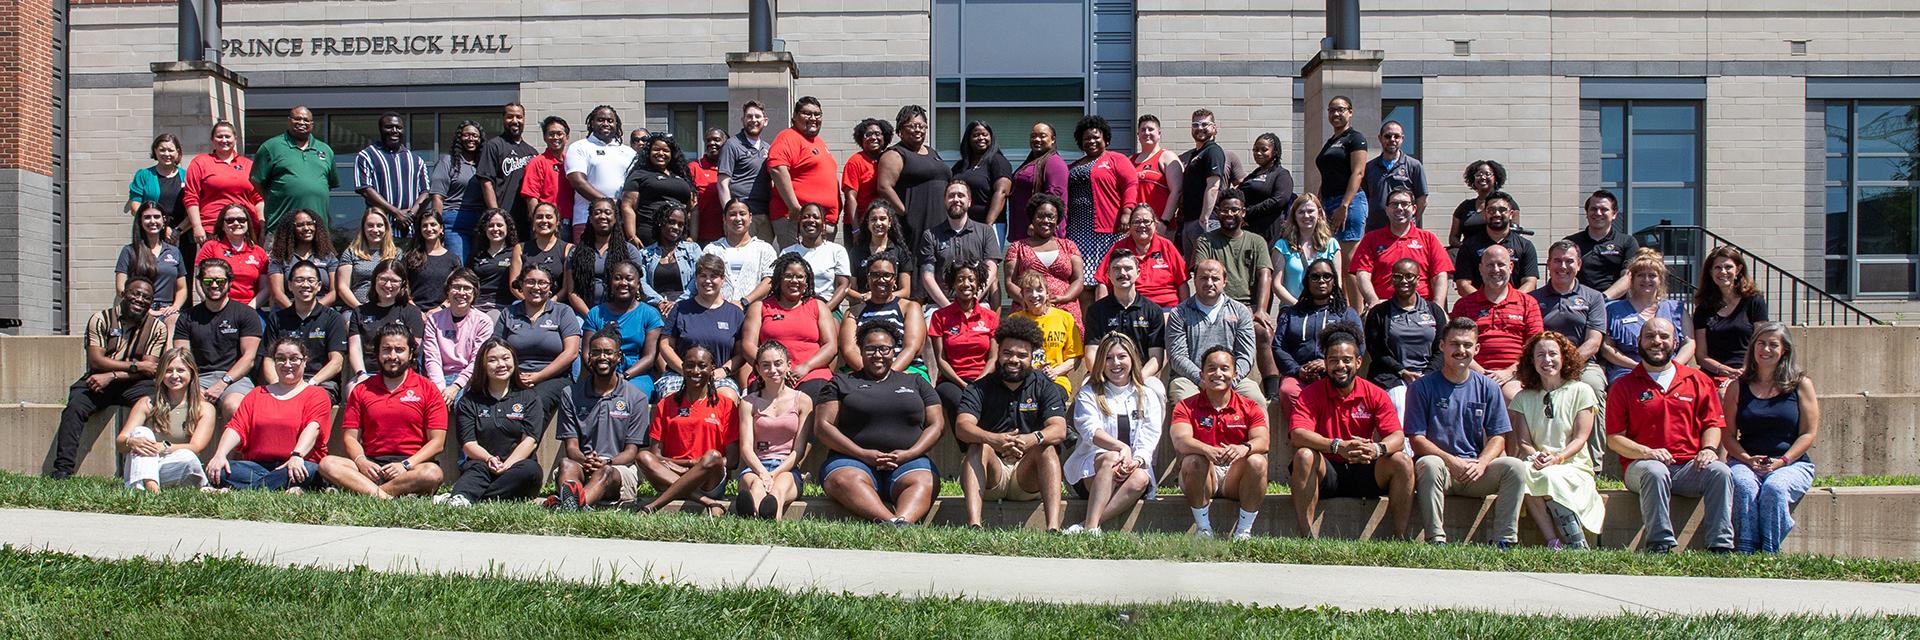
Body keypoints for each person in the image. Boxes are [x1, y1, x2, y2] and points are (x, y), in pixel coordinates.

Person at [1606, 317, 1735, 553]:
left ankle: (1720, 546)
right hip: (1641, 467)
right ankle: (1659, 543)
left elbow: (1713, 423)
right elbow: (1614, 438)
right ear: (1639, 341)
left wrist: (1708, 449)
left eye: (1664, 336)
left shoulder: (1697, 380)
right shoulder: (1623, 386)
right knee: (1656, 470)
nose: (1657, 341)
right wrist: (1647, 452)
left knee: (1720, 472)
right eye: (1650, 336)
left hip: (1689, 467)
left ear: (1675, 342)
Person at [1405, 317, 1528, 546]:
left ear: (1477, 348)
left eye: (1467, 345)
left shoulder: (1488, 387)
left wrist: (1482, 463)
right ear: (1442, 346)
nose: (1461, 350)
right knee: (1429, 463)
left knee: (1515, 467)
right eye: (1454, 344)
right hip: (1441, 471)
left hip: (1475, 471)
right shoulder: (1421, 387)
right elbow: (1417, 439)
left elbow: (1498, 437)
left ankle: (1505, 540)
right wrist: (1452, 461)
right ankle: (1436, 539)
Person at [1287, 324, 1412, 539]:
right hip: (1329, 471)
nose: (1340, 366)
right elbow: (1298, 434)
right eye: (1333, 360)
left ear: (1358, 362)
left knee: (1402, 460)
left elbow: (1397, 437)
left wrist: (1377, 449)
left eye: (1346, 360)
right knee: (1303, 455)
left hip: (1366, 467)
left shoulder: (1376, 393)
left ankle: (1400, 536)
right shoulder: (1310, 394)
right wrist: (1337, 446)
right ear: (1325, 364)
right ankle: (1306, 535)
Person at [817, 322, 944, 526]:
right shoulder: (840, 382)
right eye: (870, 348)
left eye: (884, 349)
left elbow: (936, 425)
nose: (878, 354)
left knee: (926, 481)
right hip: (852, 461)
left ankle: (903, 521)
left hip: (908, 462)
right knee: (842, 480)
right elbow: (823, 427)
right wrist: (862, 454)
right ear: (860, 350)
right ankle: (892, 523)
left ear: (893, 351)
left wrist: (909, 454)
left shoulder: (916, 382)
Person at [955, 315, 1070, 531]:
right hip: (992, 473)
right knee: (977, 447)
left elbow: (1059, 429)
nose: (1014, 360)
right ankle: (974, 525)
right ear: (998, 354)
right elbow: (962, 426)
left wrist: (1031, 439)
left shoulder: (1044, 386)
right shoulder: (980, 387)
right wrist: (993, 439)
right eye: (1007, 353)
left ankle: (1053, 528)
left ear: (1031, 357)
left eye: (1022, 355)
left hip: (1026, 477)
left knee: (1047, 449)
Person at [50, 278, 166, 480]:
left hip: (134, 383)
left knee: (157, 402)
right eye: (135, 293)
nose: (139, 300)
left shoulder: (157, 328)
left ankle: (154, 468)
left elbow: (150, 369)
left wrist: (112, 375)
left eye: (146, 297)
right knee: (75, 406)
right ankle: (62, 470)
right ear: (124, 294)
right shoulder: (101, 318)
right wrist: (135, 365)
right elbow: (96, 361)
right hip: (98, 380)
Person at [1723, 322, 1819, 554]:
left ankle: (1769, 550)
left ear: (1784, 350)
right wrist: (1747, 459)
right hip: (1746, 460)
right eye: (1761, 343)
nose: (1766, 349)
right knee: (1744, 485)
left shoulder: (1800, 385)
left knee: (1775, 487)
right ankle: (1746, 548)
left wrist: (1782, 461)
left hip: (1792, 463)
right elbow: (1727, 434)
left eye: (1773, 345)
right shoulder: (1738, 386)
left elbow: (1808, 433)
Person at [319, 325, 448, 498]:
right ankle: (387, 495)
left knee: (433, 473)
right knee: (328, 464)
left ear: (410, 354)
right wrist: (361, 461)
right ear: (378, 354)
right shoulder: (362, 389)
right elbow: (350, 437)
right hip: (372, 465)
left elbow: (437, 443)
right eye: (386, 350)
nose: (392, 356)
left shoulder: (428, 389)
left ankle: (367, 491)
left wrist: (405, 465)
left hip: (411, 465)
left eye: (399, 350)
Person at [1508, 331, 1606, 550]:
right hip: (1537, 461)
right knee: (1524, 474)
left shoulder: (1582, 391)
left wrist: (1558, 457)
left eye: (1553, 353)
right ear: (1531, 361)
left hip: (1572, 464)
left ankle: (1574, 538)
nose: (1547, 360)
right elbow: (1523, 441)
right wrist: (1536, 455)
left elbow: (1581, 438)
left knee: (1550, 476)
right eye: (1540, 355)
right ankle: (1553, 540)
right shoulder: (1523, 398)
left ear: (1564, 357)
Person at [1065, 333, 1165, 535]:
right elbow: (1090, 430)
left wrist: (1135, 461)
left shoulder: (1147, 396)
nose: (1115, 363)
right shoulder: (1088, 393)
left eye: (1122, 356)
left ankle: (1087, 526)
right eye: (1109, 358)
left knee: (1140, 478)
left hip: (1130, 470)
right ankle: (1092, 527)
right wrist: (1121, 448)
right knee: (1110, 458)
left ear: (1132, 359)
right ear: (1101, 362)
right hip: (1092, 472)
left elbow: (1150, 436)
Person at [203, 337, 331, 492]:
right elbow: (236, 427)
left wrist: (297, 455)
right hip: (258, 465)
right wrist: (220, 455)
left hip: (300, 462)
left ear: (305, 361)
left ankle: (244, 492)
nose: (287, 364)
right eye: (281, 359)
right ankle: (283, 488)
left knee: (305, 471)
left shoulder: (316, 394)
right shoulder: (257, 394)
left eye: (294, 359)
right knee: (222, 471)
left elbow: (313, 427)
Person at [1171, 346, 1271, 540]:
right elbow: (1180, 441)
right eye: (1211, 368)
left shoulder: (1249, 406)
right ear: (1202, 374)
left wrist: (1244, 448)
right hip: (1204, 473)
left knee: (1258, 461)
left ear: (1234, 374)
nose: (1218, 374)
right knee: (1193, 460)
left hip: (1235, 474)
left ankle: (1243, 531)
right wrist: (1206, 449)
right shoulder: (1186, 406)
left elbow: (1263, 441)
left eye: (1224, 368)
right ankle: (1203, 529)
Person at [548, 329, 653, 510]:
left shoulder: (636, 398)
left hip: (618, 468)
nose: (601, 357)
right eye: (595, 352)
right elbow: (571, 447)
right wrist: (585, 460)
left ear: (619, 357)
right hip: (583, 464)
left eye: (608, 352)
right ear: (588, 356)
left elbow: (631, 452)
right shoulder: (571, 394)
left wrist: (607, 462)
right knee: (566, 464)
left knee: (605, 472)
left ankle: (572, 506)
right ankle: (575, 504)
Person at [635, 340, 742, 514]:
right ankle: (706, 501)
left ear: (712, 368)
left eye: (702, 366)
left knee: (714, 456)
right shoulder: (666, 404)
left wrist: (698, 466)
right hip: (671, 475)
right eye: (690, 365)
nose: (696, 371)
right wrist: (687, 465)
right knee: (643, 457)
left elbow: (732, 460)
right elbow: (656, 455)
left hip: (708, 479)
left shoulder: (726, 405)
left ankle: (653, 506)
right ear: (683, 367)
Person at [1192, 189, 1277, 392]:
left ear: (1244, 212)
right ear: (1217, 213)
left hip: (1247, 305)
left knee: (1263, 332)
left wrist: (1261, 310)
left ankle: (1272, 391)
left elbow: (1265, 275)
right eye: (1224, 210)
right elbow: (1203, 271)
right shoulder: (1206, 241)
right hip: (1215, 303)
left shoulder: (1256, 241)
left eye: (1234, 210)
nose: (1229, 214)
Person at [443, 338, 546, 506]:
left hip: (516, 468)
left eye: (506, 358)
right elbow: (468, 443)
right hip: (483, 464)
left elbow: (530, 440)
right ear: (483, 365)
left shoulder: (529, 397)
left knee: (530, 470)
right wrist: (489, 459)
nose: (501, 364)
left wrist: (507, 465)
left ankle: (468, 497)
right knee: (477, 470)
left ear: (514, 360)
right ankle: (464, 497)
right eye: (492, 360)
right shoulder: (469, 401)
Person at [1450, 245, 1544, 398]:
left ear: (1511, 267)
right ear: (1480, 269)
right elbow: (1455, 345)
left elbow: (1535, 346)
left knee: (1511, 395)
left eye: (1501, 264)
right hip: (1472, 374)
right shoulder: (1464, 305)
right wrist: (1482, 374)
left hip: (1517, 375)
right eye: (1490, 265)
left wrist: (1509, 372)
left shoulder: (1528, 303)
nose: (1496, 269)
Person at [116, 347, 215, 492]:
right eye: (168, 370)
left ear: (192, 373)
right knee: (141, 432)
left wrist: (163, 447)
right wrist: (131, 442)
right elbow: (120, 442)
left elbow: (196, 447)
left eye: (180, 370)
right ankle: (150, 488)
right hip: (144, 464)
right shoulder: (147, 403)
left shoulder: (204, 408)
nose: (174, 376)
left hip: (173, 466)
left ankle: (145, 487)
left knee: (188, 456)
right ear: (161, 374)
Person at [174, 260, 263, 420]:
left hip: (235, 379)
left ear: (229, 283)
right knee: (194, 407)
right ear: (200, 283)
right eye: (208, 281)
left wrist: (223, 383)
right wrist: (193, 385)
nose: (214, 285)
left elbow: (249, 358)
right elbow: (182, 358)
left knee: (235, 407)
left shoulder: (246, 314)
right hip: (198, 378)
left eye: (220, 281)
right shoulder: (187, 317)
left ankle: (236, 446)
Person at [1166, 259, 1264, 403]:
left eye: (1215, 278)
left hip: (1231, 378)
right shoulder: (1179, 313)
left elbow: (1246, 355)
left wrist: (1229, 380)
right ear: (1195, 280)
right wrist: (1202, 379)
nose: (1209, 283)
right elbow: (1177, 356)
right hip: (1189, 379)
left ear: (1224, 282)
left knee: (1256, 399)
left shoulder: (1240, 311)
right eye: (1204, 278)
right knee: (1185, 400)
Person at [736, 341, 814, 519]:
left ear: (788, 365)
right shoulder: (748, 402)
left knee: (778, 489)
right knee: (755, 486)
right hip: (755, 467)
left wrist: (773, 474)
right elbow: (746, 448)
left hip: (786, 467)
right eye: (766, 365)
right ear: (757, 369)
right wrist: (763, 474)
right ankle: (752, 518)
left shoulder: (803, 401)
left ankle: (768, 520)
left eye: (778, 363)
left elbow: (798, 450)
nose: (773, 370)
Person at [1273, 259, 1364, 410]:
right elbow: (1278, 347)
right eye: (1315, 277)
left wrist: (1329, 363)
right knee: (1288, 390)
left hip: (1335, 373)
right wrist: (1297, 370)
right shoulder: (1291, 314)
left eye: (1326, 276)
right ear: (1307, 282)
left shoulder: (1346, 313)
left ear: (1334, 281)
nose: (1321, 281)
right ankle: (1301, 432)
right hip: (1299, 374)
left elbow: (1359, 346)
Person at [745, 254, 839, 399]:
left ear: (806, 282)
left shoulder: (818, 306)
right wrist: (772, 369)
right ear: (779, 280)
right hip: (770, 373)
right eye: (788, 276)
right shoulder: (760, 307)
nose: (794, 281)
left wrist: (806, 367)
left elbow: (830, 346)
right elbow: (748, 345)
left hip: (811, 372)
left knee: (818, 393)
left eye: (800, 277)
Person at [495, 264, 582, 420]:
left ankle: (526, 444)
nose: (536, 287)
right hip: (514, 377)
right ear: (521, 285)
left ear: (550, 287)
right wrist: (513, 376)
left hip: (554, 378)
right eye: (530, 282)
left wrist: (538, 376)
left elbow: (571, 352)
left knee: (534, 402)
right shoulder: (508, 313)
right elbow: (496, 349)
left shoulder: (563, 311)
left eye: (542, 283)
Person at [1062, 115, 1138, 291]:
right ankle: (1088, 318)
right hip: (1077, 232)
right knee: (1083, 281)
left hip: (1108, 230)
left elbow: (1130, 184)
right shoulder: (1073, 166)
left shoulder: (1116, 159)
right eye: (1086, 138)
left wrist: (1127, 212)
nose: (1091, 141)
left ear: (1105, 139)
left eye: (1096, 137)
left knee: (1107, 279)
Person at [1364, 258, 1449, 415]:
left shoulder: (1433, 311)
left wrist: (1427, 375)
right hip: (1393, 377)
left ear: (1418, 279)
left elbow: (1442, 348)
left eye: (1409, 276)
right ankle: (1405, 441)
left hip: (1430, 375)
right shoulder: (1379, 313)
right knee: (1400, 403)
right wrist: (1402, 371)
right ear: (1392, 280)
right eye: (1398, 276)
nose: (1404, 281)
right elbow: (1376, 350)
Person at [1083, 249, 1167, 398]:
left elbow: (1156, 357)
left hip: (1142, 375)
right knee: (1084, 391)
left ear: (1138, 272)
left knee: (1158, 390)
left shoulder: (1153, 311)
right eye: (1116, 269)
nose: (1122, 273)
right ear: (1108, 274)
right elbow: (1091, 354)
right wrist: (1108, 375)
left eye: (1128, 268)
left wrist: (1138, 377)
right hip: (1104, 373)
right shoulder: (1096, 310)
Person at [1350, 187, 1452, 310]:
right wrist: (1374, 302)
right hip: (1384, 306)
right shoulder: (1371, 239)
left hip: (1422, 307)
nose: (1399, 208)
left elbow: (1440, 275)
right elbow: (1363, 274)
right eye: (1394, 204)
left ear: (1414, 209)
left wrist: (1437, 308)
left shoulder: (1428, 238)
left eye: (1405, 204)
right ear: (1387, 210)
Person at [660, 255, 748, 397]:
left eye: (713, 276)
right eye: (703, 276)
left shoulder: (735, 314)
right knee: (672, 397)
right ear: (696, 279)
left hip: (718, 377)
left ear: (723, 279)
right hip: (680, 375)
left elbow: (740, 354)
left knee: (727, 397)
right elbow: (665, 345)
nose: (708, 281)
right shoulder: (680, 308)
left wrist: (724, 371)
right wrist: (684, 370)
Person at [261, 261, 348, 401]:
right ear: (290, 285)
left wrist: (309, 384)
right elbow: (269, 359)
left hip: (320, 383)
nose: (305, 285)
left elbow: (336, 362)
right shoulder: (277, 318)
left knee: (310, 401)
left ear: (319, 286)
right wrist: (278, 385)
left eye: (311, 280)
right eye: (299, 280)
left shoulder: (332, 318)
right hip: (283, 381)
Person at [1603, 249, 1693, 382]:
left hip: (1672, 371)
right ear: (1631, 279)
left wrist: (1672, 367)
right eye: (1640, 275)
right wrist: (1639, 367)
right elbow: (1606, 348)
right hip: (1629, 371)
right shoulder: (1613, 310)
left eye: (1652, 275)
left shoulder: (1676, 309)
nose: (1646, 280)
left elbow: (1689, 342)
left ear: (1660, 280)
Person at [875, 105, 952, 252]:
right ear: (900, 130)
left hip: (940, 221)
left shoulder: (932, 152)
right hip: (915, 226)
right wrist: (905, 212)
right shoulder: (895, 154)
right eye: (912, 126)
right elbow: (884, 187)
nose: (918, 130)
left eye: (922, 126)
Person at [250, 106, 339, 233]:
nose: (302, 123)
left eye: (306, 120)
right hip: (281, 228)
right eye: (297, 119)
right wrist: (277, 197)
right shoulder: (271, 147)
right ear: (289, 120)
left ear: (312, 124)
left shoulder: (325, 150)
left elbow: (328, 184)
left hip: (316, 230)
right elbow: (256, 181)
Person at [764, 96, 838, 247]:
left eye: (817, 114)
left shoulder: (818, 142)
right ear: (795, 116)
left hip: (824, 221)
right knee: (797, 267)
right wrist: (794, 206)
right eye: (807, 113)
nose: (813, 118)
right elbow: (777, 169)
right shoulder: (788, 137)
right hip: (797, 220)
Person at [928, 260, 998, 417]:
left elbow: (993, 358)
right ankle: (975, 442)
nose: (966, 284)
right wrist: (963, 384)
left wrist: (978, 382)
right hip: (951, 381)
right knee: (961, 403)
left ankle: (981, 441)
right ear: (953, 283)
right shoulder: (940, 316)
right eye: (960, 279)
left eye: (971, 279)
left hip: (984, 378)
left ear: (978, 283)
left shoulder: (991, 317)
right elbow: (941, 360)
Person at [838, 256, 927, 380]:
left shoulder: (910, 307)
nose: (881, 280)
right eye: (875, 275)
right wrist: (872, 375)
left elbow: (912, 348)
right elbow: (849, 350)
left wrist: (887, 377)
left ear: (894, 279)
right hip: (862, 372)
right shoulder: (853, 312)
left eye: (887, 275)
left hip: (906, 369)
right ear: (868, 278)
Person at [584, 261, 664, 397]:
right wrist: (603, 374)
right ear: (610, 282)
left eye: (629, 278)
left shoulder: (650, 314)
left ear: (638, 284)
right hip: (600, 371)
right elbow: (587, 353)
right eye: (617, 278)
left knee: (628, 395)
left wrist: (624, 376)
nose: (623, 283)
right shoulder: (595, 313)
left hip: (636, 374)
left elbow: (649, 357)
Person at [918, 181, 1003, 308]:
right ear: (945, 201)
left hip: (978, 304)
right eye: (951, 196)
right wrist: (949, 308)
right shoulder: (930, 235)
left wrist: (972, 301)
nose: (956, 199)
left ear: (969, 202)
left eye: (960, 195)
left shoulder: (986, 232)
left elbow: (991, 268)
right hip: (939, 306)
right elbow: (927, 276)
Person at [1693, 246, 1769, 385]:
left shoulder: (1754, 301)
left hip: (1749, 371)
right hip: (1714, 374)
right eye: (1717, 267)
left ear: (1738, 269)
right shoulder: (1703, 308)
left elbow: (1762, 342)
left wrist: (1744, 370)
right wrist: (1725, 371)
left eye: (1728, 267)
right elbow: (1701, 356)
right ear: (1710, 272)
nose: (1723, 272)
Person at [1005, 193, 1084, 327]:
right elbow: (1009, 282)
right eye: (1041, 216)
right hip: (1028, 310)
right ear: (1032, 218)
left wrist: (1064, 298)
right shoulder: (1017, 247)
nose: (1046, 220)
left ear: (1057, 220)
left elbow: (1078, 279)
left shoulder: (1069, 246)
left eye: (1051, 217)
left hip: (1065, 309)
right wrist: (1027, 301)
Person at [422, 269, 496, 406]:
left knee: (462, 405)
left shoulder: (483, 322)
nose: (461, 292)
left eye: (467, 288)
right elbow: (432, 358)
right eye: (456, 287)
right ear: (448, 291)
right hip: (439, 377)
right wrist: (439, 388)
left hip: (469, 379)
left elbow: (477, 361)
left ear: (474, 293)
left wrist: (456, 386)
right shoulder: (434, 320)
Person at [183, 121, 262, 247]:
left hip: (246, 229)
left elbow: (258, 199)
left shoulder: (248, 164)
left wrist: (262, 226)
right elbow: (191, 197)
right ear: (212, 140)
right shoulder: (200, 162)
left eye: (227, 136)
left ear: (235, 139)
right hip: (213, 229)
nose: (224, 140)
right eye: (219, 136)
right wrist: (197, 226)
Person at [347, 259, 424, 386]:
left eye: (394, 281)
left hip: (401, 374)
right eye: (383, 279)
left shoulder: (412, 312)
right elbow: (355, 347)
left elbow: (413, 349)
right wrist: (361, 374)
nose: (388, 285)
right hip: (368, 374)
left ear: (402, 283)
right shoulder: (360, 312)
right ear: (375, 280)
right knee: (352, 389)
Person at [565, 105, 637, 241]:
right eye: (601, 120)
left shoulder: (629, 152)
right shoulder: (579, 147)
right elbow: (578, 181)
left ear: (616, 124)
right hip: (585, 218)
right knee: (585, 260)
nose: (606, 124)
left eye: (610, 120)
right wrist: (608, 204)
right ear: (592, 123)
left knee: (619, 261)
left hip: (620, 220)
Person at [353, 111, 431, 235]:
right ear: (380, 129)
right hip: (378, 231)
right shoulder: (367, 156)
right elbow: (366, 190)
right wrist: (396, 212)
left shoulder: (416, 160)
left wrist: (410, 215)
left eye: (399, 127)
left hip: (410, 231)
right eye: (389, 127)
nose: (394, 130)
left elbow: (426, 193)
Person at [1095, 204, 1187, 307]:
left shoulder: (1166, 246)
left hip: (1166, 308)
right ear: (1129, 225)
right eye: (1137, 222)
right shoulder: (1119, 248)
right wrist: (1101, 315)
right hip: (1131, 310)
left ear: (1155, 224)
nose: (1142, 225)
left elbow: (1182, 283)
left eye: (1146, 221)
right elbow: (1103, 282)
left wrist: (1184, 314)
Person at [117, 205, 188, 337]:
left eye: (156, 217)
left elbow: (182, 288)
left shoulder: (174, 251)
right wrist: (144, 308)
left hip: (167, 311)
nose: (152, 221)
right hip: (138, 309)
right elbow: (121, 288)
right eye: (147, 217)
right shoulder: (129, 251)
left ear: (164, 220)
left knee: (175, 329)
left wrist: (174, 307)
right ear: (140, 221)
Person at [1009, 270, 1083, 392]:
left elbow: (1074, 357)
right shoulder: (1015, 320)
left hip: (1056, 380)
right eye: (1028, 290)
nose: (1034, 295)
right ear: (1022, 295)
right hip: (1022, 379)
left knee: (1050, 399)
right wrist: (1030, 370)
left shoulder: (1065, 318)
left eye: (1039, 289)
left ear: (1047, 293)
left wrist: (1054, 372)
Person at [1453, 191, 1539, 296]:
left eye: (1502, 210)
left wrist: (1511, 302)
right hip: (1479, 309)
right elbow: (1463, 284)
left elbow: (1530, 282)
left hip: (1515, 308)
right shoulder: (1469, 246)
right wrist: (1485, 302)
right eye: (1491, 210)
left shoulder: (1525, 246)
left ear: (1511, 214)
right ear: (1485, 214)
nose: (1497, 214)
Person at [565, 197, 642, 315]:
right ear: (590, 219)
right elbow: (572, 293)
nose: (602, 216)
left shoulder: (629, 251)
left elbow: (636, 288)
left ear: (615, 218)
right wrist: (591, 317)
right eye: (597, 213)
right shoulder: (576, 252)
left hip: (621, 312)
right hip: (584, 314)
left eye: (607, 212)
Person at [1317, 96, 1371, 260]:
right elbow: (1327, 175)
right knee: (1332, 259)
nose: (1336, 113)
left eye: (1340, 109)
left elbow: (1358, 173)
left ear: (1350, 112)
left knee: (1349, 262)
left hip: (1349, 204)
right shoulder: (1330, 142)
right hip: (1328, 203)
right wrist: (1319, 202)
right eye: (1332, 110)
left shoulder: (1355, 138)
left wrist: (1344, 205)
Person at [620, 131, 695, 248]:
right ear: (648, 152)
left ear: (672, 154)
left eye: (666, 150)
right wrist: (631, 236)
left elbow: (693, 209)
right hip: (648, 236)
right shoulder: (639, 175)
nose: (661, 153)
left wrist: (693, 236)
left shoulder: (681, 177)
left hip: (678, 236)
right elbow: (628, 206)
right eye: (656, 149)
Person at [702, 199, 778, 306]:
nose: (738, 219)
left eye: (742, 214)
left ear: (750, 217)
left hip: (753, 312)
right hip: (716, 310)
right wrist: (722, 306)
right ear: (724, 218)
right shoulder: (712, 249)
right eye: (732, 214)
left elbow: (770, 280)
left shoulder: (764, 249)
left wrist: (745, 301)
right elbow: (703, 280)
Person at [1564, 189, 1637, 298]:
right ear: (1587, 213)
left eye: (1604, 209)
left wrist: (1603, 299)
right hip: (1577, 303)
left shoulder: (1627, 242)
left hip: (1613, 304)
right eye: (1593, 209)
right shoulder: (1571, 243)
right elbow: (1563, 273)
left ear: (1614, 214)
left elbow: (1628, 277)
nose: (1598, 213)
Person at [1270, 194, 1340, 308]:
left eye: (1311, 211)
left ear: (1319, 213)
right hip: (1292, 308)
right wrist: (1297, 305)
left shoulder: (1332, 245)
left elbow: (1337, 283)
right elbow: (1276, 285)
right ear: (1294, 216)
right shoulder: (1282, 246)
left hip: (1324, 308)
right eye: (1301, 212)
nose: (1306, 216)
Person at [430, 120, 488, 256]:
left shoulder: (484, 165)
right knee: (459, 266)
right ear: (459, 138)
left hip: (480, 222)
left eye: (475, 135)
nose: (471, 139)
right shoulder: (448, 162)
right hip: (454, 222)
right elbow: (437, 197)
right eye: (466, 135)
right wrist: (437, 228)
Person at [780, 203, 853, 309]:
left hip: (828, 307)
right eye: (805, 217)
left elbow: (843, 285)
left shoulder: (837, 251)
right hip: (794, 307)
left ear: (823, 224)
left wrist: (825, 310)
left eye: (816, 217)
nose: (810, 220)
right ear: (799, 223)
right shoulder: (787, 253)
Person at [195, 204, 269, 307]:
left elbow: (265, 289)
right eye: (230, 220)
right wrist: (213, 305)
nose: (236, 223)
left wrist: (249, 309)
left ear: (248, 223)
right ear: (222, 225)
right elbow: (199, 281)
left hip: (250, 308)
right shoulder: (210, 247)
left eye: (241, 220)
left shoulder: (259, 252)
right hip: (217, 307)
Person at [475, 102, 538, 224]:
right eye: (510, 116)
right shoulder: (493, 146)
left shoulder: (532, 152)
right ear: (503, 119)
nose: (515, 121)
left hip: (526, 220)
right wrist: (495, 214)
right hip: (503, 217)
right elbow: (486, 182)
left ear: (524, 119)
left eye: (519, 117)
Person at [1008, 122, 1069, 244]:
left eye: (1042, 136)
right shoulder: (1033, 161)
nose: (1037, 139)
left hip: (1040, 235)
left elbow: (1054, 199)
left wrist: (1036, 225)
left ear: (1052, 140)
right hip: (1023, 231)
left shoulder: (1054, 163)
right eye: (1033, 136)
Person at [1361, 120, 1428, 232]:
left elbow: (1422, 200)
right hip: (1375, 230)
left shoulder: (1414, 166)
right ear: (1380, 138)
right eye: (1387, 136)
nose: (1392, 140)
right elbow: (1364, 199)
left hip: (1403, 231)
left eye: (1396, 136)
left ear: (1402, 138)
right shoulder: (1369, 167)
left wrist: (1412, 220)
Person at [266, 208, 339, 309]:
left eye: (310, 223)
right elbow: (277, 294)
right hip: (288, 309)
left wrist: (313, 311)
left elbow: (334, 292)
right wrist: (296, 313)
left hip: (322, 309)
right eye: (300, 225)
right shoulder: (280, 257)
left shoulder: (328, 256)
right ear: (291, 229)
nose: (306, 228)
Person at [953, 120, 1013, 237]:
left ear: (991, 138)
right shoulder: (961, 166)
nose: (981, 138)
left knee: (987, 256)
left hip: (990, 225)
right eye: (975, 135)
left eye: (985, 134)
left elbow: (1002, 192)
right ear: (968, 139)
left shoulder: (998, 161)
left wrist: (988, 225)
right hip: (962, 225)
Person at [716, 101, 772, 226]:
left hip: (764, 214)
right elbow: (722, 184)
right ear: (743, 120)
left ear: (765, 121)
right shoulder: (732, 145)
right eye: (749, 116)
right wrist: (729, 214)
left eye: (757, 116)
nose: (753, 120)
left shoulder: (768, 148)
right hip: (740, 215)